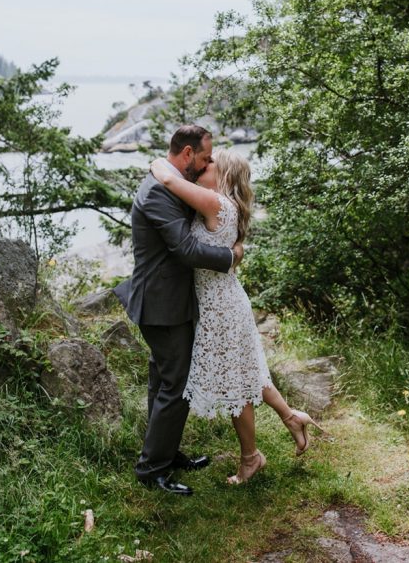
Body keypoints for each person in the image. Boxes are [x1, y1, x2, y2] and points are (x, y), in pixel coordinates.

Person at [149, 148, 322, 484]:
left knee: (235, 382)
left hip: (221, 306)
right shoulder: (223, 205)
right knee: (246, 371)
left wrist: (159, 162)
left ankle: (250, 459)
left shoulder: (217, 204)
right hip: (225, 301)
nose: (203, 164)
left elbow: (169, 178)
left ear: (224, 175)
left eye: (210, 163)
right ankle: (291, 418)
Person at [113, 125, 242, 495]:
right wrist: (229, 256)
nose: (207, 164)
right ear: (187, 153)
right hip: (160, 304)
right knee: (175, 384)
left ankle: (164, 453)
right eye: (204, 158)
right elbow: (185, 249)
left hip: (172, 300)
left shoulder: (169, 181)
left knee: (163, 381)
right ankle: (151, 470)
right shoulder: (156, 193)